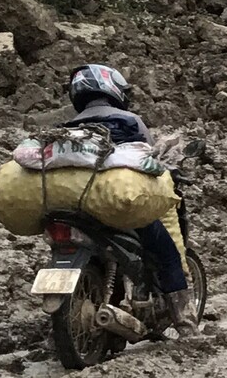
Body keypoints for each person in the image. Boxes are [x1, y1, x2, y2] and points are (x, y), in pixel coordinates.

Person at [62, 64, 196, 335]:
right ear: (111, 89)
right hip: (117, 205)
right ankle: (187, 325)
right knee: (167, 253)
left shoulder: (66, 129)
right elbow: (149, 159)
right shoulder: (128, 120)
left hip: (74, 207)